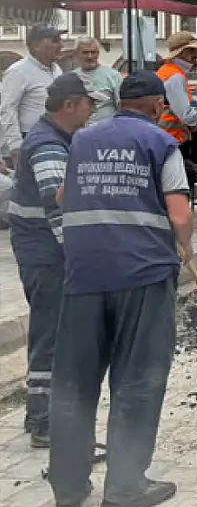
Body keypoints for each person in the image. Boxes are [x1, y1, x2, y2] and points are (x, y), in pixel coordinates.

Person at [48, 70, 194, 507]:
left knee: (73, 382)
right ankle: (126, 486)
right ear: (154, 105)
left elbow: (60, 197)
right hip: (142, 276)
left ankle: (69, 489)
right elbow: (179, 210)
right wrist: (185, 246)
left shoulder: (82, 141)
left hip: (83, 276)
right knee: (137, 380)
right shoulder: (161, 143)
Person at [8, 73, 105, 447]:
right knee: (51, 336)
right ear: (69, 105)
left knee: (54, 334)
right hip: (45, 254)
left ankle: (42, 412)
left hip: (43, 250)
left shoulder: (59, 138)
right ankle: (44, 422)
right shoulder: (49, 145)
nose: (93, 109)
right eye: (88, 102)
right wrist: (80, 256)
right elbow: (57, 205)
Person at [0, 24, 64, 168]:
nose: (61, 45)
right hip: (28, 141)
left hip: (52, 138)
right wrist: (16, 147)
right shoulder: (18, 72)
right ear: (36, 46)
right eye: (54, 41)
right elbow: (7, 110)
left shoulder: (57, 70)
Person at [72, 36, 123, 127]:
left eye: (93, 52)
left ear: (98, 53)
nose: (90, 56)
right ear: (76, 54)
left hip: (107, 131)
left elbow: (121, 108)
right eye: (85, 52)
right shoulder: (71, 78)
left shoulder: (113, 76)